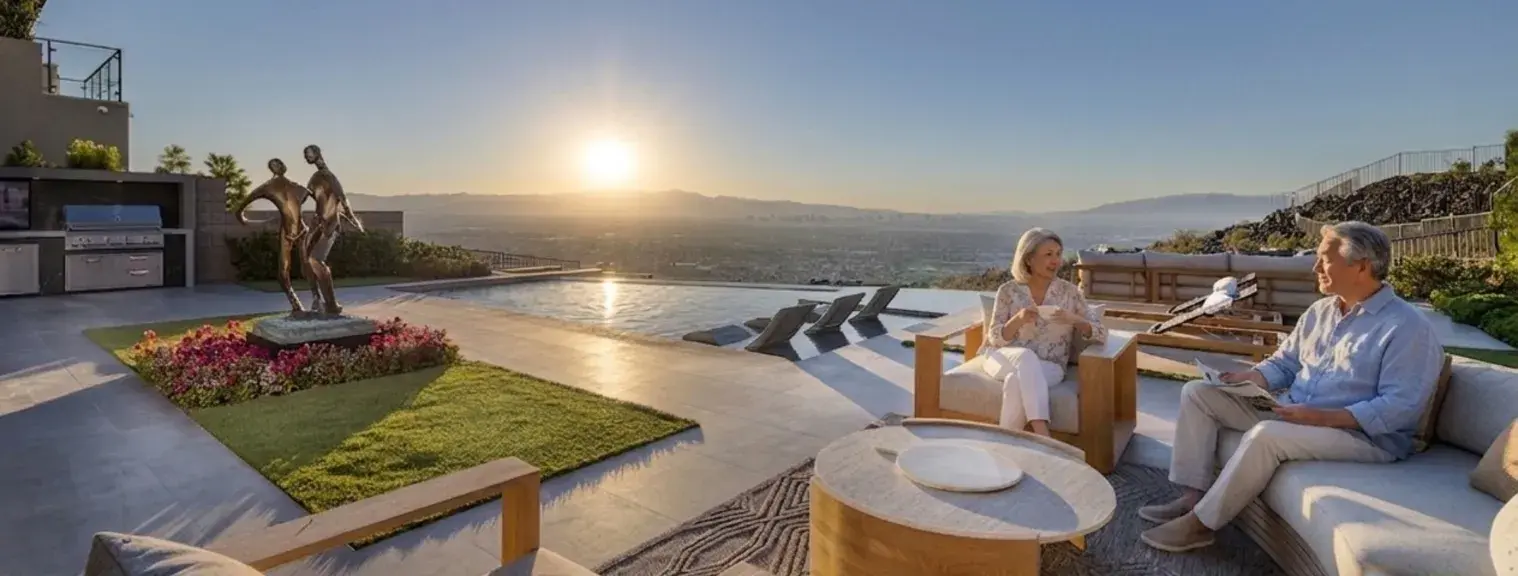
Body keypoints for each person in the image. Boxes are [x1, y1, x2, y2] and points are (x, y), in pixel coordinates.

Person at [1138, 221, 1443, 553]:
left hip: (1363, 438)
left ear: (1361, 266)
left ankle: (1201, 525)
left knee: (1267, 434)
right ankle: (1193, 497)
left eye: (1324, 259)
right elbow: (1284, 363)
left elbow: (1400, 407)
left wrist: (1319, 417)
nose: (1315, 267)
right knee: (1198, 393)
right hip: (1294, 413)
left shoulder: (1407, 327)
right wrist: (1253, 378)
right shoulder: (1320, 312)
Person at [984, 228, 1107, 437]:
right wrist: (1018, 320)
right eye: (1048, 254)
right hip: (1002, 358)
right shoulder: (1008, 291)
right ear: (1029, 259)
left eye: (1058, 254)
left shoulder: (1070, 293)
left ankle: (1005, 445)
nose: (1056, 261)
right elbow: (994, 338)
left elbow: (1101, 333)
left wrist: (1074, 319)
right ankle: (1042, 433)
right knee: (1024, 356)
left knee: (1016, 381)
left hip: (1050, 367)